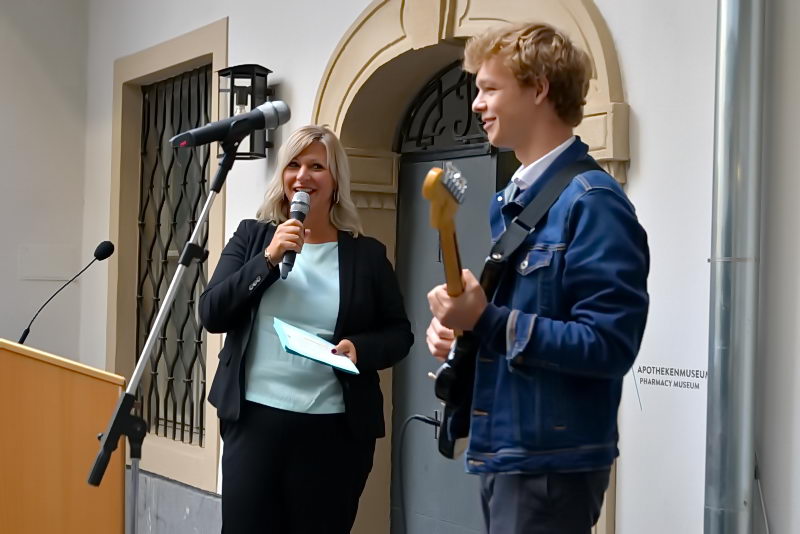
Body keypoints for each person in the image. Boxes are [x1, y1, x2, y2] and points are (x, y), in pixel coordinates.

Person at [425, 23, 650, 533]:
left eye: (490, 88)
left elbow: (610, 345)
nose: (477, 104)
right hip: (508, 454)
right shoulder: (512, 200)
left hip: (550, 466)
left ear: (539, 88)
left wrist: (486, 320)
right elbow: (518, 324)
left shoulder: (594, 203)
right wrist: (464, 334)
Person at [200, 124, 413, 534]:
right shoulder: (252, 237)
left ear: (336, 181)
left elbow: (399, 333)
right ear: (282, 178)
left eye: (316, 166)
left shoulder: (366, 255)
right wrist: (267, 258)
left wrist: (360, 348)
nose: (303, 176)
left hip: (332, 431)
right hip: (254, 422)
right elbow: (212, 313)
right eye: (293, 165)